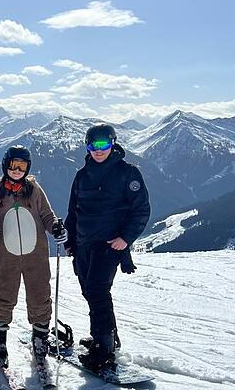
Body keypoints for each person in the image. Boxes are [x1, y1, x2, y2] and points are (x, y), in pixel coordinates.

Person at [64, 124, 150, 371]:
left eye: (103, 145)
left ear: (113, 144)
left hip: (109, 244)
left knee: (97, 290)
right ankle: (106, 336)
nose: (98, 151)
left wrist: (126, 238)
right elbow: (73, 212)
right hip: (83, 244)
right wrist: (71, 242)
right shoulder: (82, 175)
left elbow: (141, 209)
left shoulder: (127, 173)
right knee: (88, 290)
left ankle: (104, 348)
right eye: (93, 146)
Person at [0, 145, 67, 367]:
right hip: (6, 254)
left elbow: (47, 215)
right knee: (4, 295)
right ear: (5, 166)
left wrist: (55, 227)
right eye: (13, 165)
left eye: (22, 166)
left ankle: (40, 338)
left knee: (40, 294)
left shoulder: (34, 190)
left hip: (36, 254)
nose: (17, 170)